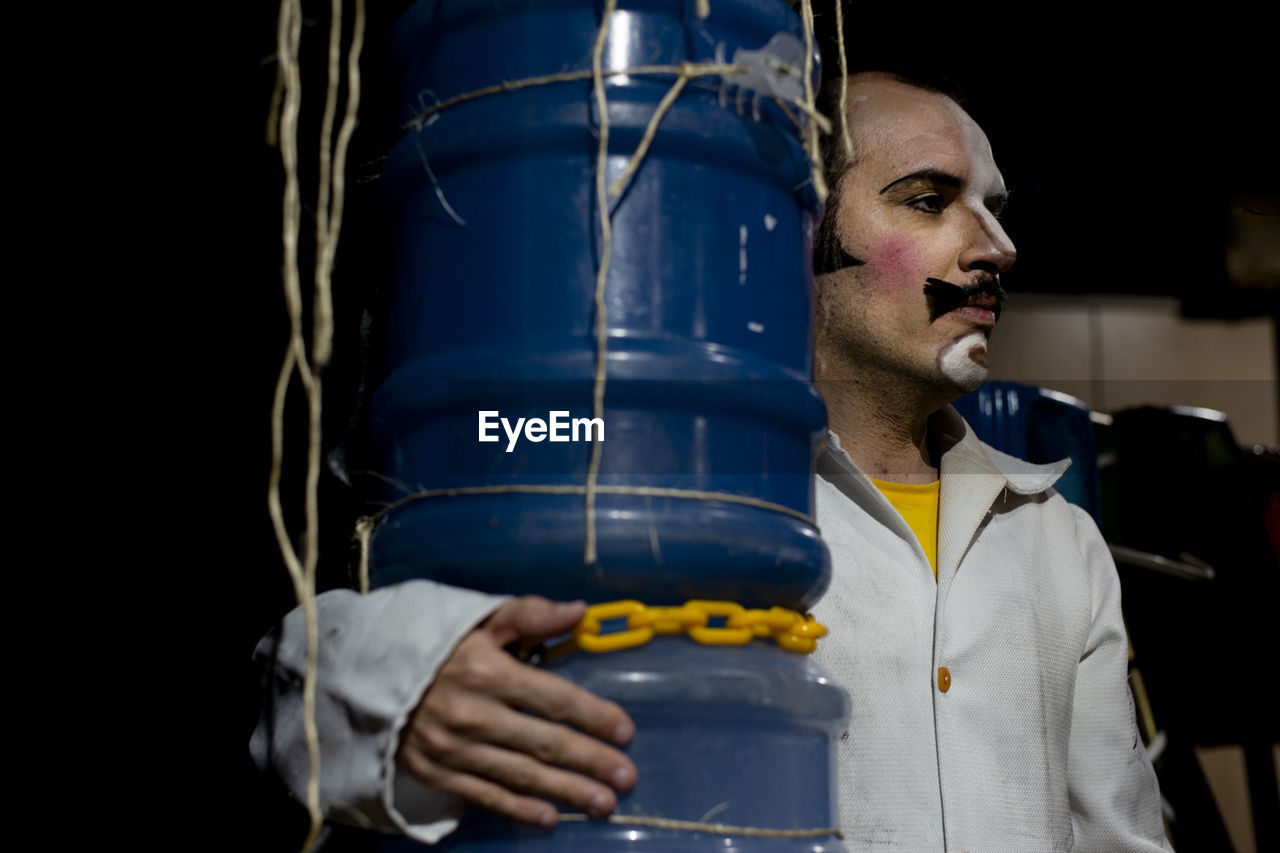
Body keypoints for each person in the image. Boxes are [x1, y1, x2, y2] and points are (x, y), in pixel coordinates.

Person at [254, 72, 1172, 850]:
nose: (998, 249)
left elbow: (1121, 832)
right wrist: (404, 682)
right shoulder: (647, 464)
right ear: (789, 232)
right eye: (929, 200)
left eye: (995, 211)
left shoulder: (1060, 538)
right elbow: (306, 662)